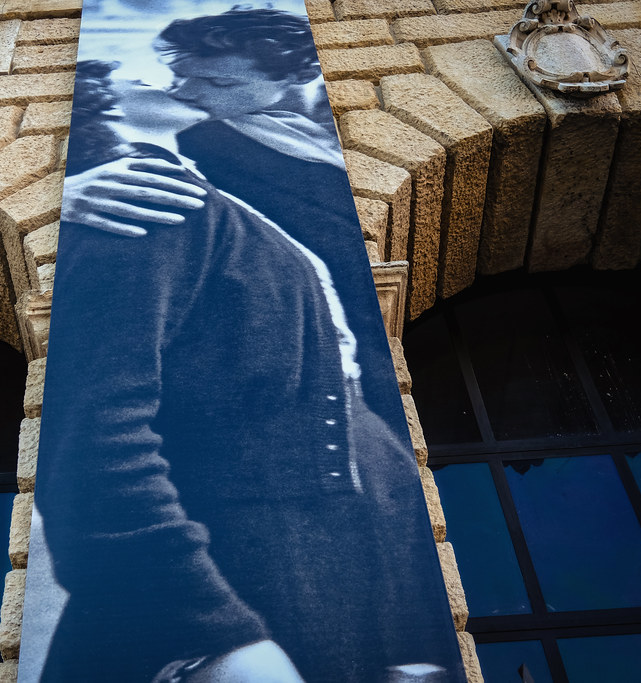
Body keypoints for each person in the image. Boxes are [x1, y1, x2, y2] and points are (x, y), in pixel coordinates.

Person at [37, 61, 463, 683]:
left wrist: (408, 616)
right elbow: (94, 439)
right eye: (135, 71)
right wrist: (207, 634)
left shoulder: (230, 205)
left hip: (346, 607)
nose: (175, 78)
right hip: (246, 610)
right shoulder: (143, 203)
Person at [59, 8, 399, 421]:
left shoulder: (354, 128)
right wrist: (71, 191)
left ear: (294, 75)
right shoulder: (206, 138)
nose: (184, 92)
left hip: (376, 332)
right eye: (179, 75)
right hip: (299, 357)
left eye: (218, 80)